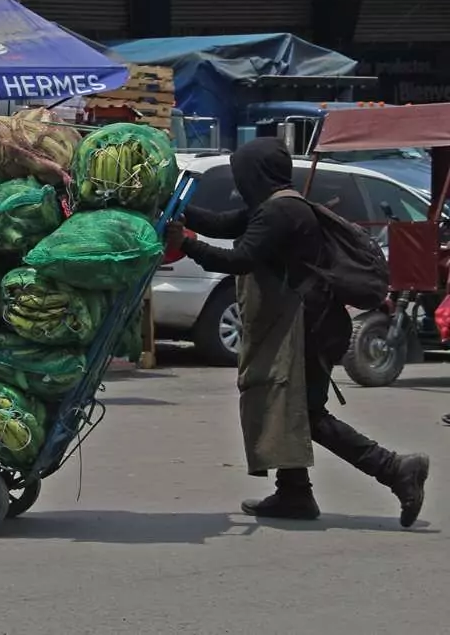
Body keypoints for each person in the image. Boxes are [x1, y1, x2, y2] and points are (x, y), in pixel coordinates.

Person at [165, 137, 429, 527]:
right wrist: (177, 210)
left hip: (309, 327)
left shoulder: (281, 213)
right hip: (307, 322)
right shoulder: (273, 206)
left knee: (304, 412)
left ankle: (394, 468)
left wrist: (187, 244)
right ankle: (294, 493)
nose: (240, 183)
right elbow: (223, 224)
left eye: (243, 174)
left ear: (256, 174)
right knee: (286, 405)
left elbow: (240, 259)